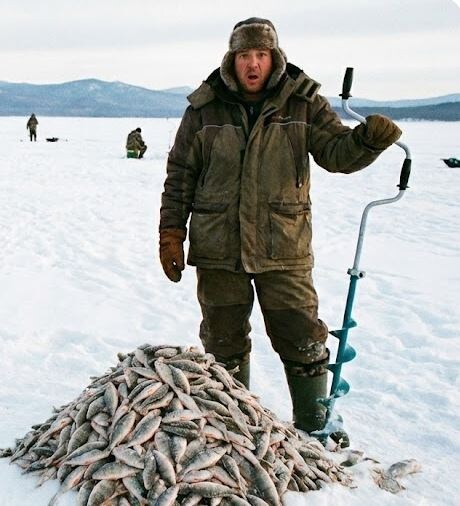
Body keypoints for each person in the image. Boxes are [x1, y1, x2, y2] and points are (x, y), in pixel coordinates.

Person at [158, 17, 402, 438]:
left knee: (303, 338)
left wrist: (367, 142)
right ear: (231, 60)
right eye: (244, 56)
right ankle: (229, 429)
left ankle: (315, 424)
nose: (253, 64)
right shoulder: (204, 107)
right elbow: (181, 173)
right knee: (223, 342)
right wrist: (171, 232)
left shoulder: (303, 102)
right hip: (219, 246)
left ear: (275, 58)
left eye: (261, 55)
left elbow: (336, 155)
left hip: (283, 246)